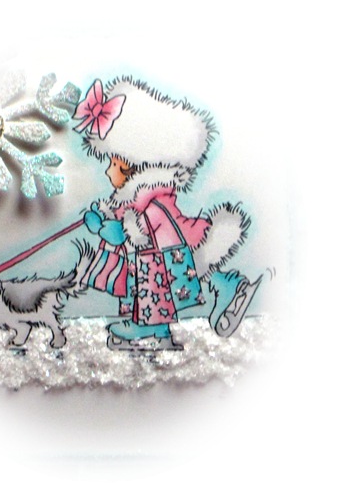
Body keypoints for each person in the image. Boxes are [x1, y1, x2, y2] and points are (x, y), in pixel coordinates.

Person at [74, 77, 262, 350]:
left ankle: (152, 325)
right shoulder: (140, 198)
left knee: (151, 283)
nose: (107, 171)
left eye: (112, 163)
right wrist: (103, 217)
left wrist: (104, 227)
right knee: (151, 279)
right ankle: (222, 288)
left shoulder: (150, 202)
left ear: (131, 166)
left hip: (162, 261)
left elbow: (129, 232)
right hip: (159, 260)